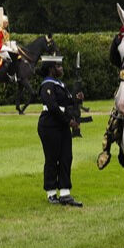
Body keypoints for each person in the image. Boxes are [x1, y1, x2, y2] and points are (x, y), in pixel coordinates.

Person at [38, 55, 82, 207]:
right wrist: (68, 120)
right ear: (51, 69)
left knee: (66, 157)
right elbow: (53, 107)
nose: (61, 68)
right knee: (52, 159)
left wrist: (77, 99)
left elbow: (67, 103)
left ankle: (64, 192)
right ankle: (51, 193)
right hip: (50, 125)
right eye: (58, 66)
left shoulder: (59, 84)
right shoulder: (47, 85)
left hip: (61, 125)